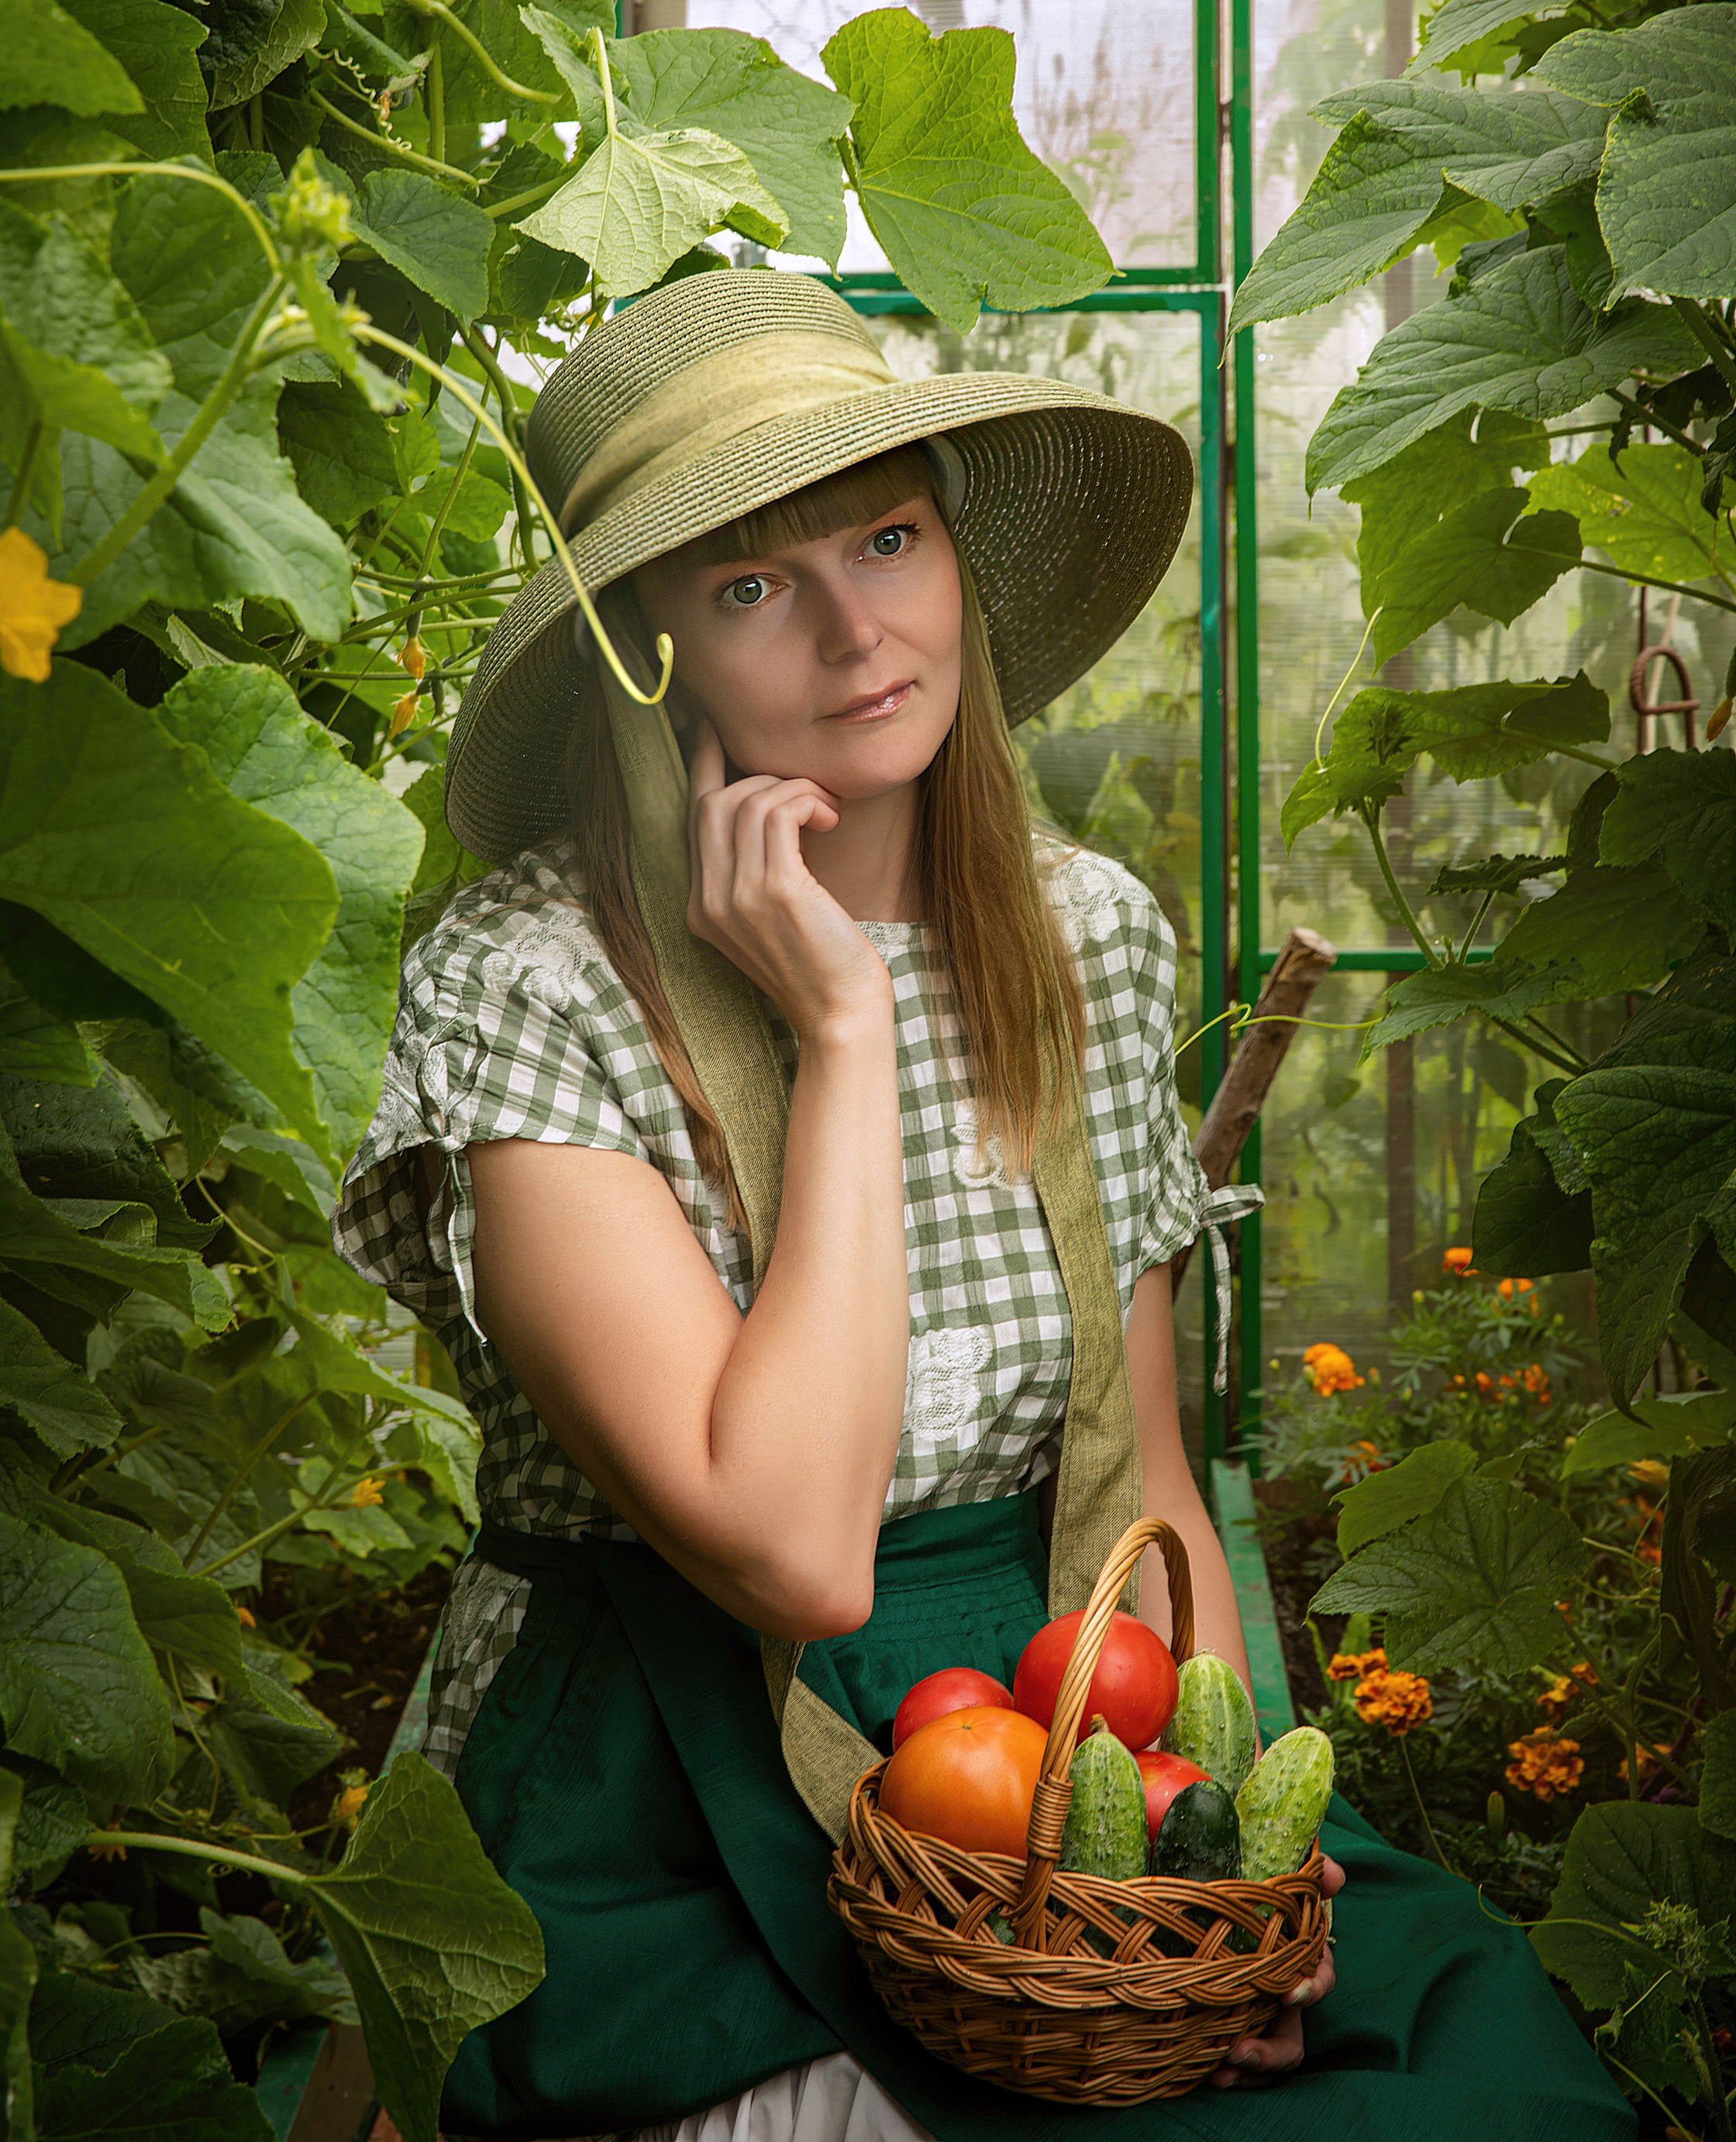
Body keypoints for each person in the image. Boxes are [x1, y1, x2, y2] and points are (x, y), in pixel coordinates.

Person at [338, 270, 1632, 2142]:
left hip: (1060, 1709)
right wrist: (841, 1026)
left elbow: (1145, 1487)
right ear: (654, 654)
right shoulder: (534, 978)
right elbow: (791, 1556)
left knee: (1481, 2080)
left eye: (890, 538)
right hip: (664, 1761)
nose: (860, 631)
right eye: (755, 583)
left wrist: (1205, 1885)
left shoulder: (1081, 932)